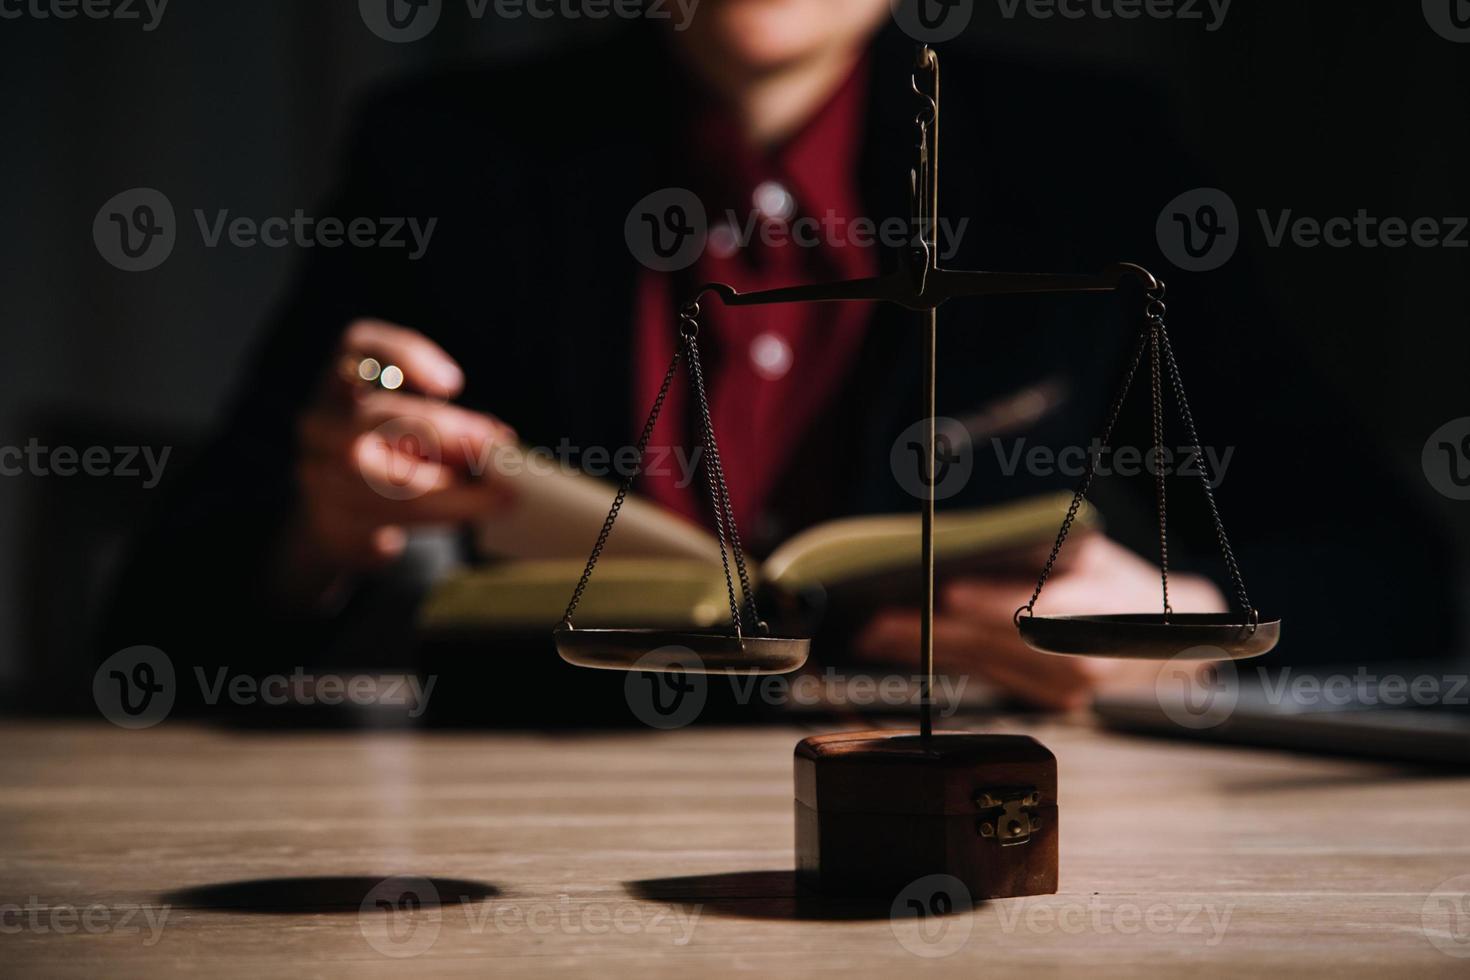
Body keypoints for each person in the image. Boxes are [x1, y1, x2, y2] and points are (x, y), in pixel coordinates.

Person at [102, 0, 1455, 715]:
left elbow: (1391, 579)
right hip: (528, 834)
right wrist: (323, 529)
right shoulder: (449, 155)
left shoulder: (1089, 159)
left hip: (966, 834)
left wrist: (1179, 625)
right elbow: (158, 622)